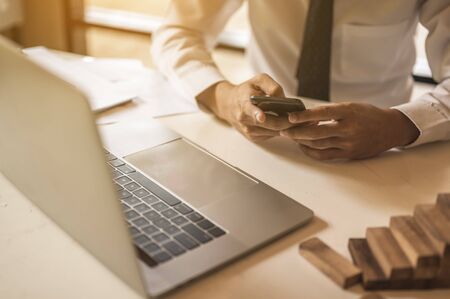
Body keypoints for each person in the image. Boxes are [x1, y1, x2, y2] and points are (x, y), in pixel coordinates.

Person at [151, 0, 450, 160]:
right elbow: (177, 32)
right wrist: (225, 98)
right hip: (264, 149)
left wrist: (398, 126)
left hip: (384, 154)